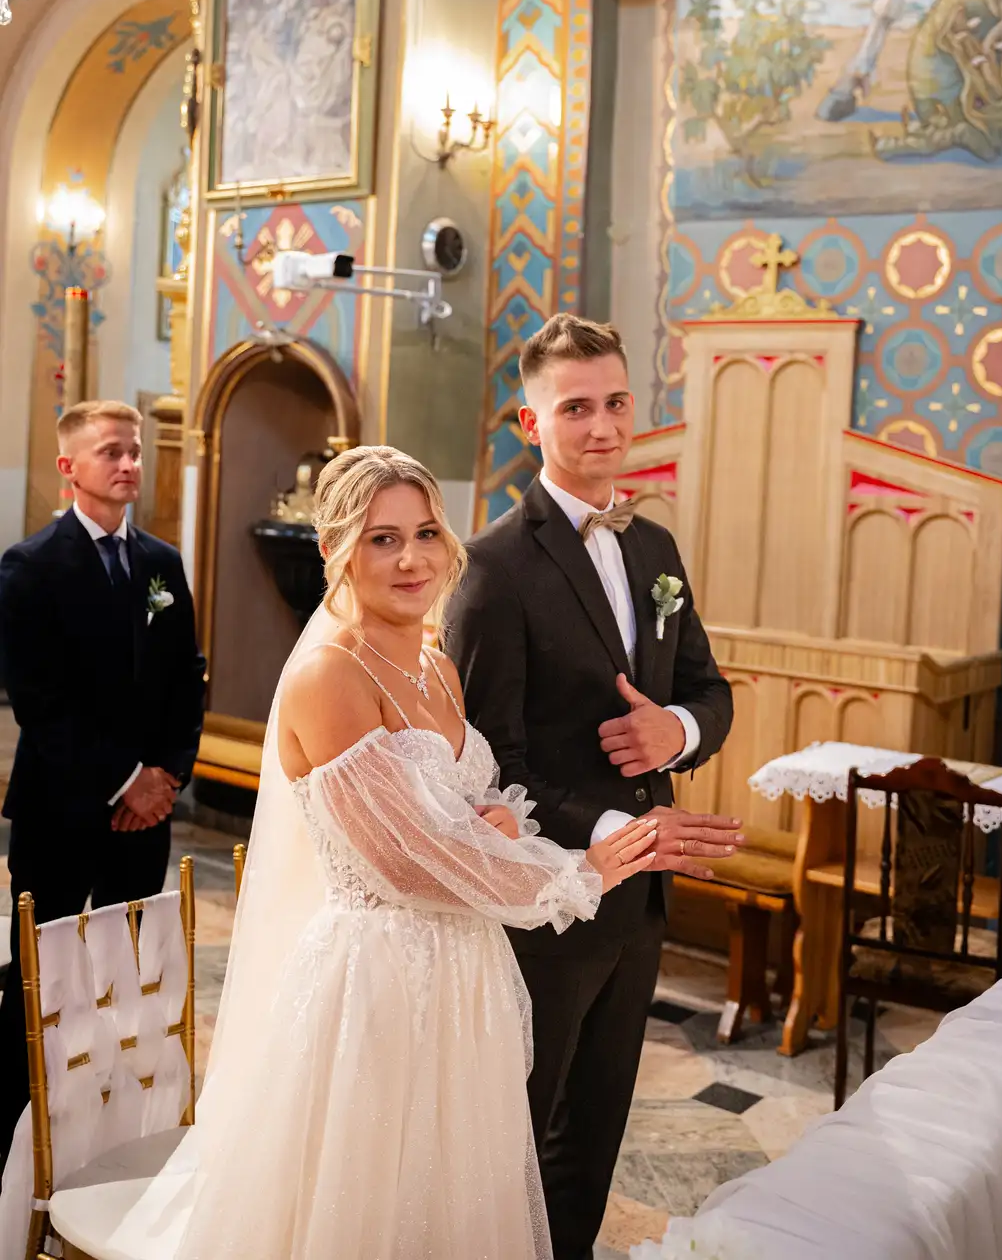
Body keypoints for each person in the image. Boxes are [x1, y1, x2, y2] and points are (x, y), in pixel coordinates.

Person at [110, 445, 659, 1260]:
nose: (412, 559)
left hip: (463, 972)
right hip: (379, 982)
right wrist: (578, 872)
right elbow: (402, 861)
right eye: (382, 539)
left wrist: (489, 820)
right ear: (333, 548)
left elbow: (454, 811)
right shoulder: (329, 675)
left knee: (451, 1198)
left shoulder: (438, 668)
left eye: (426, 533)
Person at [446, 314, 737, 1260]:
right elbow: (487, 762)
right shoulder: (493, 566)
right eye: (575, 408)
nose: (603, 425)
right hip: (548, 898)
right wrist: (616, 828)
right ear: (531, 424)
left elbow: (709, 691)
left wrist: (675, 731)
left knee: (596, 1133)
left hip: (640, 902)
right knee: (518, 1129)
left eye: (616, 402)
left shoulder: (655, 549)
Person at [0, 400, 206, 1176]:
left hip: (144, 818)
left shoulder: (161, 563)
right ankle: (15, 1148)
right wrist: (125, 781)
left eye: (135, 451)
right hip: (61, 809)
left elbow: (186, 676)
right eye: (111, 451)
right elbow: (40, 701)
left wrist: (167, 777)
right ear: (69, 467)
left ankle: (111, 1141)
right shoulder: (30, 566)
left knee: (129, 978)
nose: (128, 464)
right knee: (39, 981)